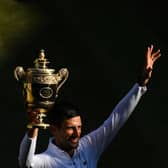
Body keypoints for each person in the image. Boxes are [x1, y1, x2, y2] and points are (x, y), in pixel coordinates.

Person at [18, 45, 161, 168]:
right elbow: (25, 164)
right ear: (54, 129)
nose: (77, 133)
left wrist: (141, 83)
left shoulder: (88, 147)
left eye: (79, 127)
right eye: (70, 128)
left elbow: (116, 118)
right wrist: (33, 128)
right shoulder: (45, 161)